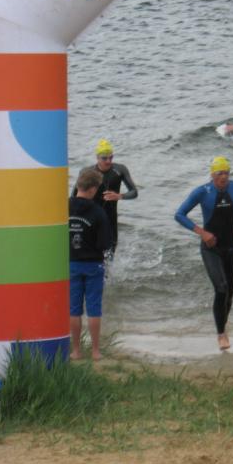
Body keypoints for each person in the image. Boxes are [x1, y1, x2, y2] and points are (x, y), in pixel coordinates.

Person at [175, 156, 233, 351]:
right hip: (210, 249)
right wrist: (202, 233)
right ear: (212, 175)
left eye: (226, 173)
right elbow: (179, 214)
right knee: (221, 288)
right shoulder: (202, 192)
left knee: (229, 293)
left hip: (232, 247)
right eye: (220, 173)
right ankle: (221, 334)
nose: (224, 177)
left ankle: (222, 324)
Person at [69, 168, 113, 361]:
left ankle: (76, 351)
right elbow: (105, 244)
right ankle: (95, 351)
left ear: (79, 185)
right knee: (94, 308)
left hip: (71, 263)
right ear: (93, 189)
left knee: (74, 309)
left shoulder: (64, 206)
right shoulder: (98, 212)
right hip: (93, 265)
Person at [73, 138, 138, 256]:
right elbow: (74, 195)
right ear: (97, 158)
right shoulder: (87, 172)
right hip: (90, 218)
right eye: (104, 158)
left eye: (111, 157)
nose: (108, 161)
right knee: (90, 250)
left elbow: (134, 192)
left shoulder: (120, 170)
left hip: (110, 218)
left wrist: (119, 196)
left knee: (110, 253)